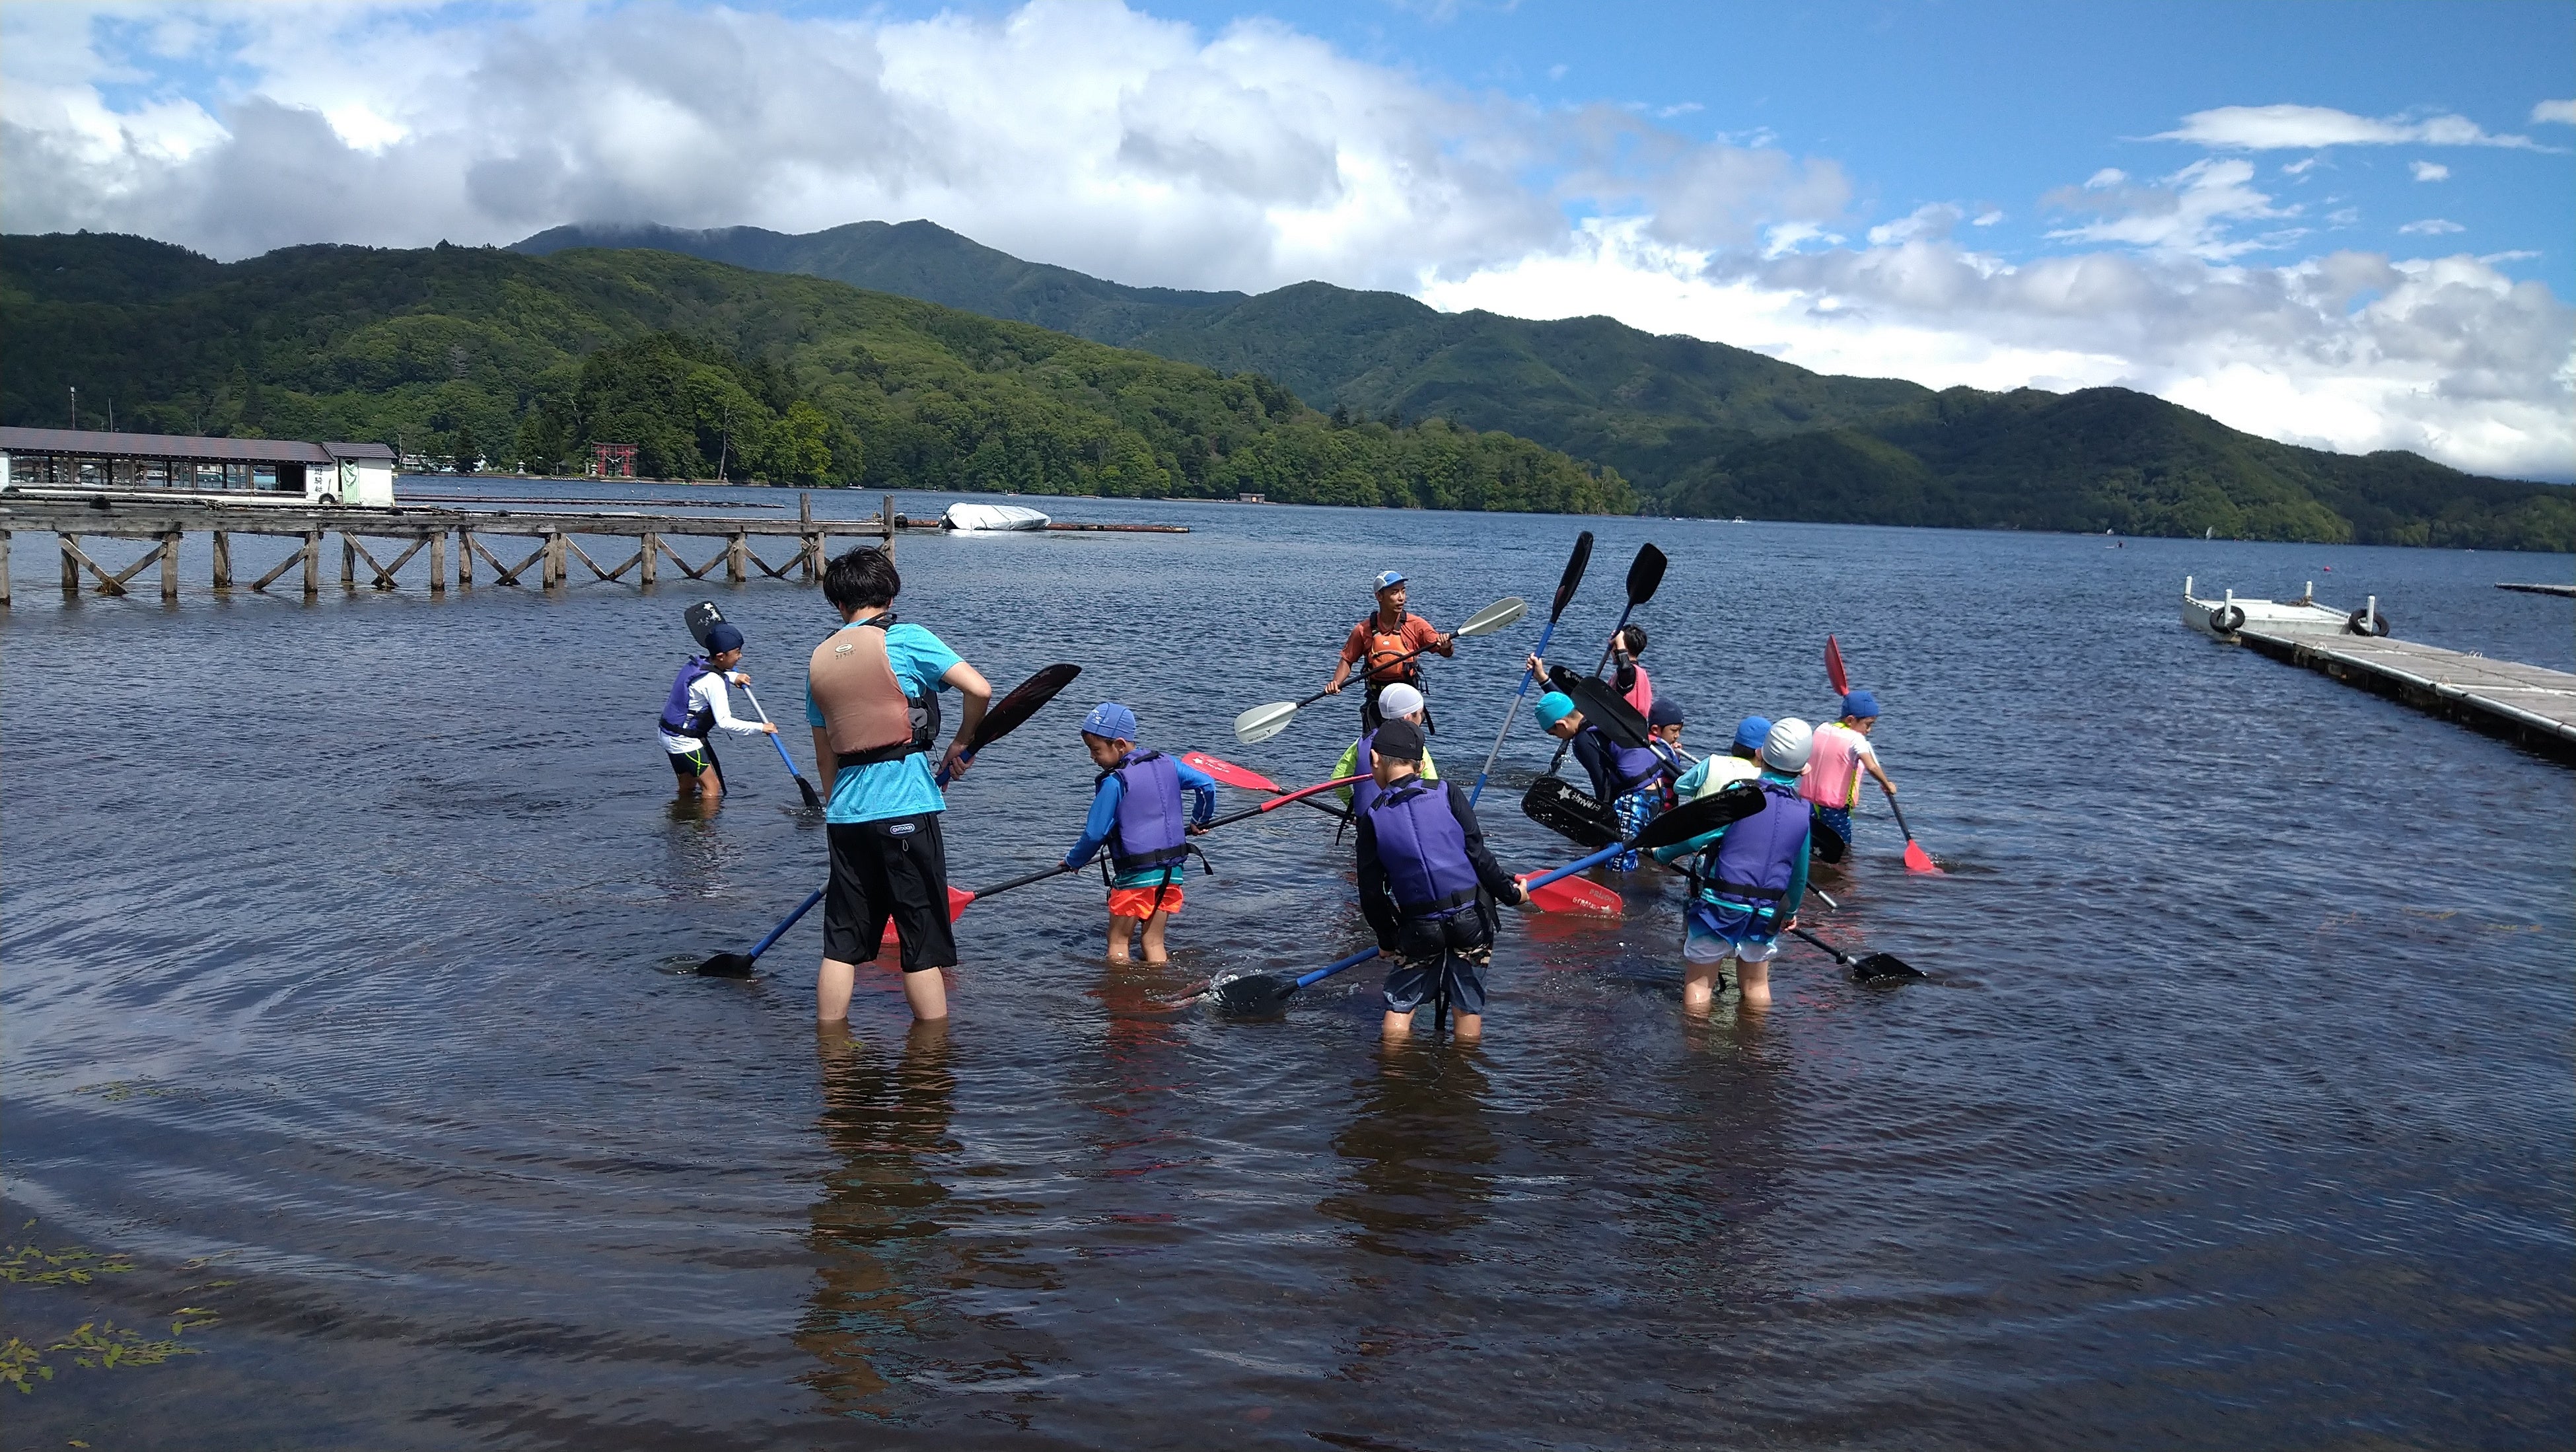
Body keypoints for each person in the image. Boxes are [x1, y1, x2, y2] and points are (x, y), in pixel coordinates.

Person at [805, 546, 993, 1027]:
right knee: (919, 939)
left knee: (842, 944)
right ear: (890, 594)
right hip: (904, 806)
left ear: (838, 603)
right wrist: (961, 742)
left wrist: (836, 809)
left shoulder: (820, 658)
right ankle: (931, 1060)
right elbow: (980, 689)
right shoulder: (906, 639)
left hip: (845, 815)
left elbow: (825, 752)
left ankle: (831, 1048)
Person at [1353, 719, 1526, 1044]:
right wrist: (1513, 895)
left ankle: (1392, 1078)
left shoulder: (1372, 817)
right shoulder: (1448, 793)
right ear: (1419, 765)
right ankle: (1465, 1077)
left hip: (1419, 926)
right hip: (1471, 919)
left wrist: (1387, 939)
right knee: (1467, 1008)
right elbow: (1480, 857)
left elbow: (1372, 893)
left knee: (1400, 1006)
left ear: (1374, 759)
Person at [1651, 718, 1814, 1013]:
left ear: (1760, 755)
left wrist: (1663, 854)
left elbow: (1699, 836)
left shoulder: (1741, 795)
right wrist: (1790, 912)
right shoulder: (1803, 810)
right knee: (1756, 984)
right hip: (1769, 910)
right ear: (1804, 769)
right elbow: (1800, 873)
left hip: (1722, 903)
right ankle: (1755, 1047)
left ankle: (1696, 1050)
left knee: (1701, 982)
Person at [1064, 702, 1217, 965]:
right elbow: (1207, 784)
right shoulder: (1168, 763)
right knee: (1153, 941)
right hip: (1172, 874)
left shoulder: (1115, 781)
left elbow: (1094, 833)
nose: (1092, 757)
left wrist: (1073, 861)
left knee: (1118, 942)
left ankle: (1120, 1002)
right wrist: (1199, 820)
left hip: (1136, 876)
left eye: (1096, 750)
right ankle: (1160, 993)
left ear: (1120, 745)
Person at [1531, 669, 1667, 869]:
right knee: (1629, 852)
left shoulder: (1582, 741)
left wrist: (1602, 828)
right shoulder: (1597, 713)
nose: (1557, 737)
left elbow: (1602, 785)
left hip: (1635, 798)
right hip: (1656, 790)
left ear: (1561, 724)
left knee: (1618, 863)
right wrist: (1544, 680)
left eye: (1554, 733)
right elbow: (1563, 704)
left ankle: (1621, 896)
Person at [657, 622, 777, 801]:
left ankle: (681, 821)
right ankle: (707, 829)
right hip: (684, 741)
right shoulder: (714, 682)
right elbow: (724, 722)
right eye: (737, 653)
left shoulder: (698, 664)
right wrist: (761, 728)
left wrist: (734, 676)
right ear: (721, 656)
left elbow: (710, 676)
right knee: (712, 788)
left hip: (667, 733)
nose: (740, 656)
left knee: (687, 785)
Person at [1323, 571, 1454, 732]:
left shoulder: (1416, 625)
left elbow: (1446, 652)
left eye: (1403, 591)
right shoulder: (1363, 630)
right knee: (1375, 751)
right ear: (1379, 596)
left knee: (1404, 753)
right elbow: (1347, 660)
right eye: (1394, 593)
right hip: (1377, 700)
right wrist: (1336, 683)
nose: (1401, 598)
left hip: (1406, 702)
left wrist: (1446, 645)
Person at [1799, 689, 1897, 861]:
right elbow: (1872, 766)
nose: (1869, 731)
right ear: (1851, 720)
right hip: (1834, 808)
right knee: (1842, 849)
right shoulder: (1856, 740)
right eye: (1868, 724)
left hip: (1808, 803)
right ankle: (1840, 880)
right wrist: (1887, 783)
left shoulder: (1822, 729)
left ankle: (1812, 871)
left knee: (1809, 844)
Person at [1333, 682, 1438, 815]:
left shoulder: (1361, 743)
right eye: (1420, 714)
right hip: (1404, 822)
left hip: (1367, 821)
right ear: (1408, 717)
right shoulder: (1417, 748)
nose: (1422, 720)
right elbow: (1432, 787)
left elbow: (1338, 780)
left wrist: (1354, 808)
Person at [1672, 715, 1770, 803]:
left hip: (1699, 820)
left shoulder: (1712, 762)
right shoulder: (1762, 779)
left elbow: (1679, 787)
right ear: (1759, 753)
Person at [1612, 624, 1653, 719]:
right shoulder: (1640, 674)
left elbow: (1625, 668)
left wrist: (1620, 645)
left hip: (1624, 729)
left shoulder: (1630, 675)